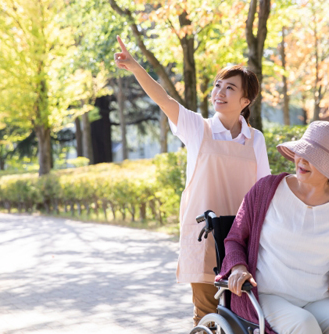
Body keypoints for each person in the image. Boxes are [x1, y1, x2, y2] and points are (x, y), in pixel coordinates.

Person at [114, 36, 271, 325]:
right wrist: (136, 68)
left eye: (230, 88)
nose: (220, 93)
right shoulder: (198, 128)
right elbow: (164, 99)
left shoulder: (255, 139)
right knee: (207, 316)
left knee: (246, 318)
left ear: (245, 101)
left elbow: (264, 190)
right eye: (217, 86)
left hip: (243, 238)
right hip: (206, 234)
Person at [218, 121, 329, 334]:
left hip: (319, 299)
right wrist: (238, 267)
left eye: (314, 157)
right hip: (270, 297)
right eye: (301, 152)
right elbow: (235, 238)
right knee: (304, 325)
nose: (302, 160)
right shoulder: (266, 190)